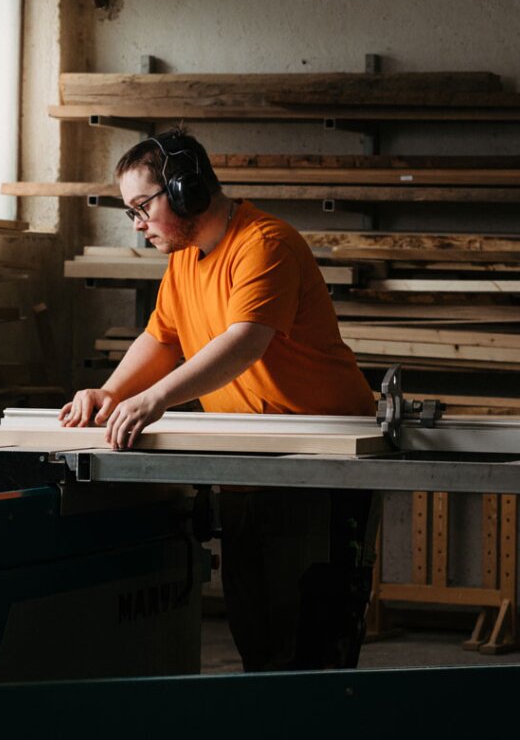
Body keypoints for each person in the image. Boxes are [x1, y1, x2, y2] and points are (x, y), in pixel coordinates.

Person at [58, 128, 379, 672]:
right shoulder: (186, 258)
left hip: (321, 460)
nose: (137, 225)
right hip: (251, 456)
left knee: (310, 639)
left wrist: (156, 400)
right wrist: (111, 392)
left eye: (141, 207)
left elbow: (245, 341)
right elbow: (161, 337)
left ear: (185, 189)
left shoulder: (264, 244)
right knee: (259, 631)